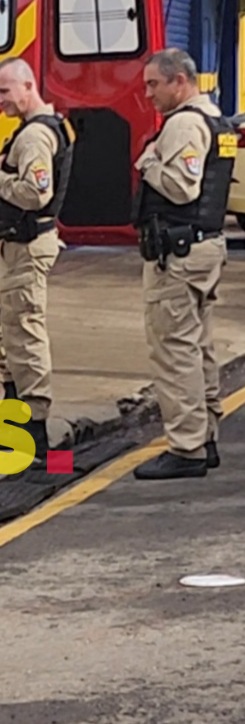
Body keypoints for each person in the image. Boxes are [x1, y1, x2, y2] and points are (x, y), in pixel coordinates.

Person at [132, 48, 233, 480]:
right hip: (203, 248)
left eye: (154, 84)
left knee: (174, 351)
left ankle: (187, 447)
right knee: (198, 348)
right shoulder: (215, 120)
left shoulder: (186, 124)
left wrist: (148, 159)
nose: (148, 93)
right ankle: (204, 435)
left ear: (180, 81)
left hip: (179, 255)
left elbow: (181, 188)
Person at [0, 57, 74, 464]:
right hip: (13, 245)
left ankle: (34, 426)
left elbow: (37, 194)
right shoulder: (38, 129)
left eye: (4, 91)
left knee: (24, 331)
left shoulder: (35, 137)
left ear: (28, 85)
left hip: (28, 245)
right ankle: (15, 404)